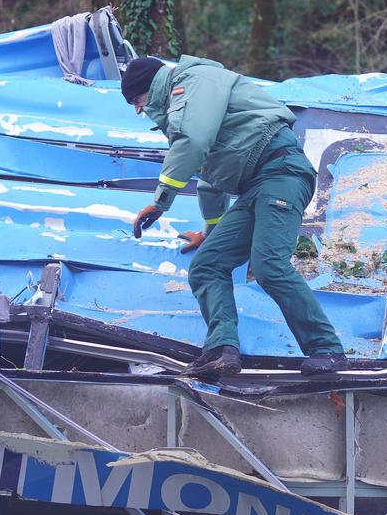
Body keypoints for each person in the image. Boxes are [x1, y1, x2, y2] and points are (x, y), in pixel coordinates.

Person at [122, 54, 348, 379]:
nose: (138, 110)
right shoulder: (184, 110)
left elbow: (194, 142)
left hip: (281, 172)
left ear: (149, 88)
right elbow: (210, 175)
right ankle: (221, 350)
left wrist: (161, 202)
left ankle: (327, 350)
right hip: (255, 187)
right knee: (207, 265)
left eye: (136, 100)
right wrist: (209, 232)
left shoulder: (196, 82)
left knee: (270, 265)